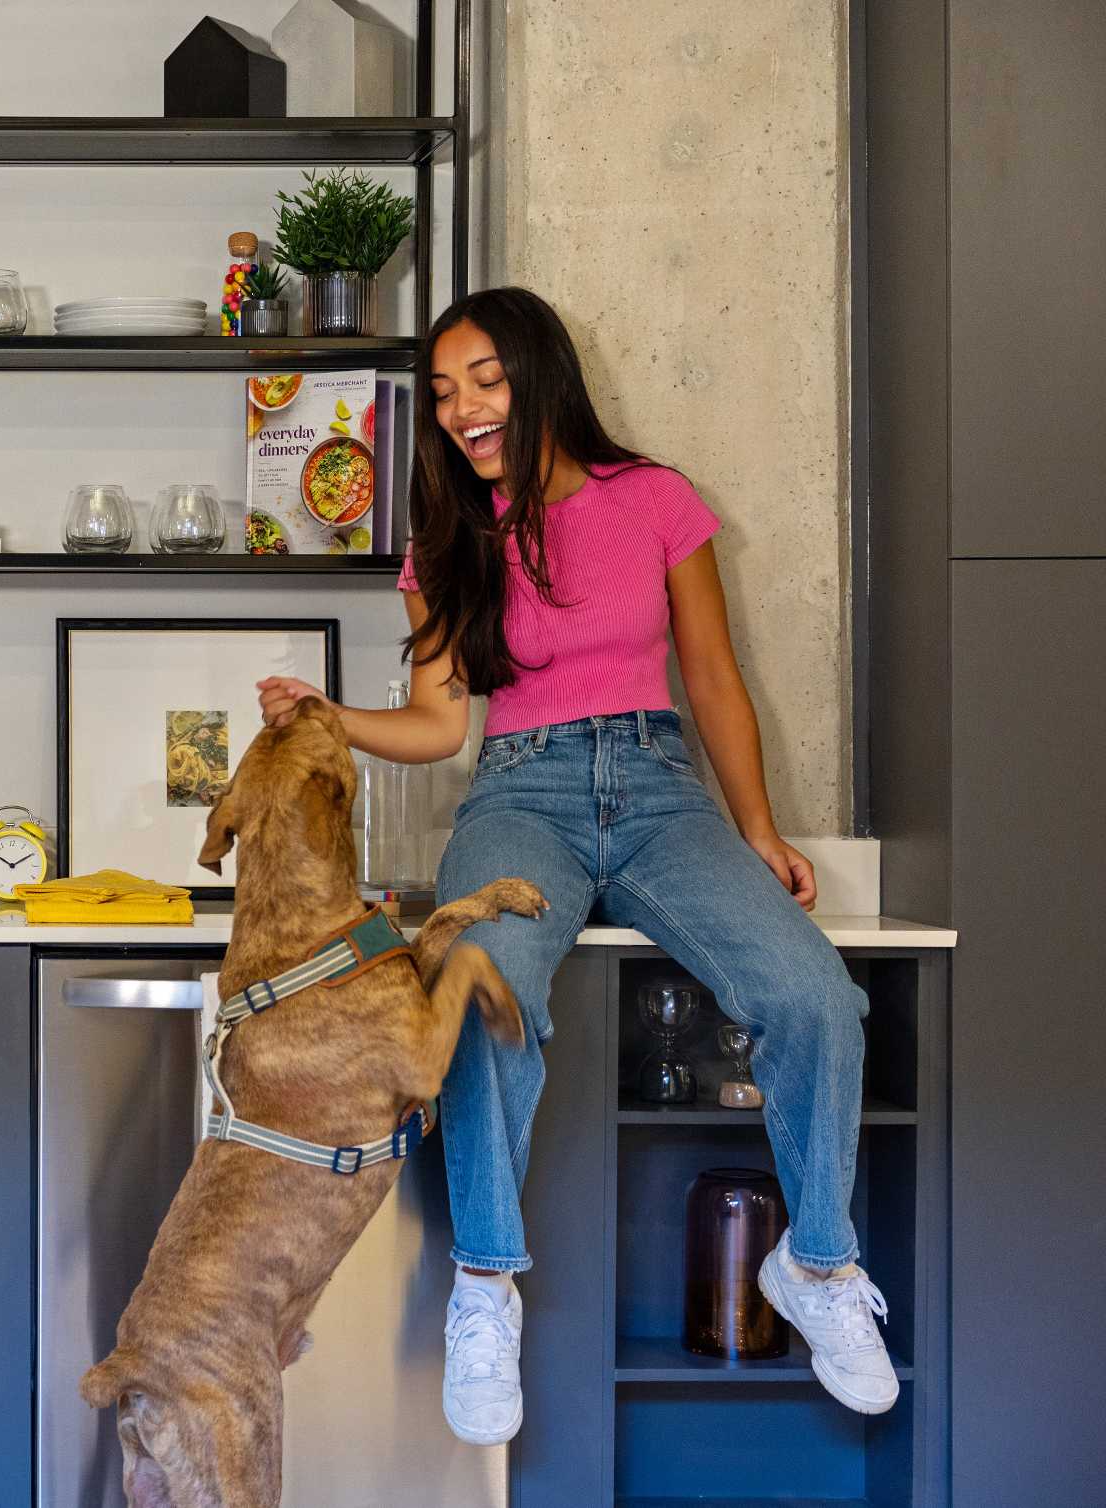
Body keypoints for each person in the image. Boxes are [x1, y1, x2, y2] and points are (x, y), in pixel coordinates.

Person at [252, 287, 894, 1445]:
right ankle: (485, 1283)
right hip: (520, 792)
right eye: (444, 394)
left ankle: (819, 1265)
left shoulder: (653, 499)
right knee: (483, 983)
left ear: (541, 372)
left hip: (661, 790)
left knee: (815, 995)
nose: (462, 410)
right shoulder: (448, 540)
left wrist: (755, 828)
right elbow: (439, 725)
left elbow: (711, 676)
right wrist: (329, 714)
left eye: (483, 379)